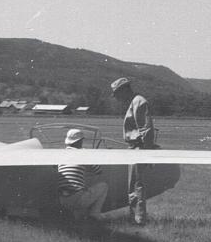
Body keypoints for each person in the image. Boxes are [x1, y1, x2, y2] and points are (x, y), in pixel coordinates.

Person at [111, 77, 155, 225]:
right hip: (134, 148)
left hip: (138, 148)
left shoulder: (139, 102)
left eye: (117, 94)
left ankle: (139, 219)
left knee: (137, 185)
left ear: (124, 90)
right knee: (133, 185)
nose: (116, 98)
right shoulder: (134, 102)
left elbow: (146, 130)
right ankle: (134, 216)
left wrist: (147, 154)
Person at [57, 128, 108, 221]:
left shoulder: (60, 154)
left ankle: (78, 216)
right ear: (80, 141)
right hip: (76, 198)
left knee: (79, 184)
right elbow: (98, 170)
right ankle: (95, 214)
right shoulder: (82, 153)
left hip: (62, 199)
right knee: (104, 186)